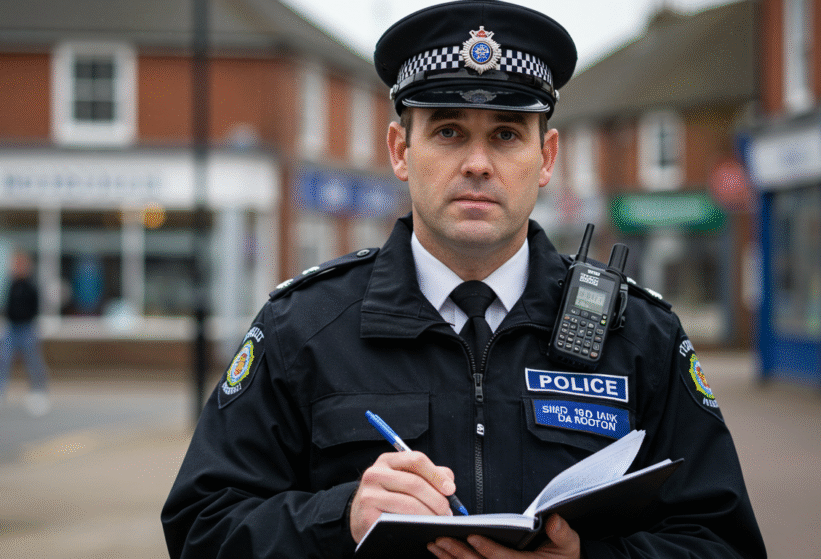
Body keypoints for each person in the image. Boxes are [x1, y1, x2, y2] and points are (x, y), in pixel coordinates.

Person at [161, 1, 767, 557]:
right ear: (400, 150)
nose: (477, 163)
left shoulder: (639, 336)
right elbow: (201, 528)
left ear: (547, 157)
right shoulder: (304, 329)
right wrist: (339, 517)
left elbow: (724, 541)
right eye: (448, 132)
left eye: (506, 134)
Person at [0, 251, 51, 417]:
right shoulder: (10, 284)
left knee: (33, 362)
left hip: (26, 328)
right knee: (1, 360)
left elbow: (35, 307)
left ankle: (39, 393)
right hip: (10, 328)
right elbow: (5, 304)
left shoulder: (31, 285)